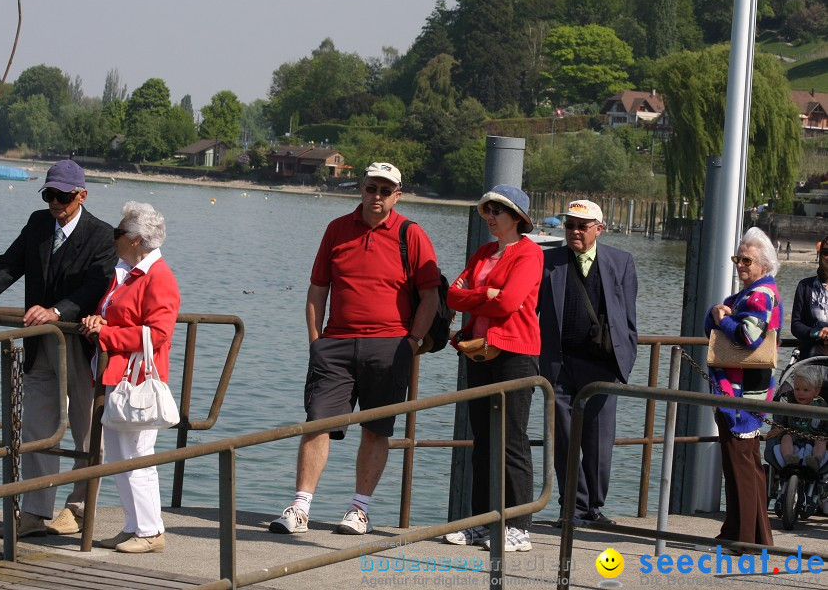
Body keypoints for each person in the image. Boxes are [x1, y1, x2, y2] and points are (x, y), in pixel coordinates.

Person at [0, 160, 117, 537]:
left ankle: (79, 508)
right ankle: (36, 512)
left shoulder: (102, 235)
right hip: (40, 346)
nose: (55, 202)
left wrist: (57, 311)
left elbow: (95, 286)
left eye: (63, 196)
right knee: (39, 429)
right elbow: (7, 266)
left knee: (89, 432)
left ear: (81, 195)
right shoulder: (38, 224)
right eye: (49, 194)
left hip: (83, 346)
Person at [269, 162, 440, 535]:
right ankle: (300, 508)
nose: (376, 196)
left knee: (376, 429)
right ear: (361, 189)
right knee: (318, 423)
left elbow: (430, 296)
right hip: (336, 344)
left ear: (397, 195)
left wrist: (411, 342)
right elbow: (318, 289)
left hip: (389, 346)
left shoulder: (411, 234)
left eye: (385, 190)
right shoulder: (337, 229)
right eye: (370, 188)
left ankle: (359, 510)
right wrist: (317, 341)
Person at [443, 185, 543, 552]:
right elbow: (453, 296)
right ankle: (482, 523)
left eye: (498, 211)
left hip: (515, 354)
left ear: (518, 218)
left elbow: (511, 304)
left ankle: (519, 526)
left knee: (512, 440)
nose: (490, 217)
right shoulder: (484, 252)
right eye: (487, 210)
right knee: (483, 440)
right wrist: (485, 295)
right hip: (479, 352)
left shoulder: (529, 255)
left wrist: (485, 298)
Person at [80, 201, 180, 554]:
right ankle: (135, 526)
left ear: (136, 239)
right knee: (121, 457)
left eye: (118, 232)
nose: (114, 237)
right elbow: (115, 313)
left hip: (138, 376)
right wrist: (99, 320)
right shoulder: (127, 270)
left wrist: (106, 334)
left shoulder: (158, 276)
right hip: (118, 375)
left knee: (137, 454)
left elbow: (158, 333)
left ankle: (151, 531)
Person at [537, 199, 637, 527]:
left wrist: (626, 356)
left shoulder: (620, 262)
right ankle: (574, 508)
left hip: (602, 365)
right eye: (569, 225)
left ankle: (594, 508)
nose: (575, 231)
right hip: (559, 364)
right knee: (563, 440)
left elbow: (628, 319)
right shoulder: (546, 260)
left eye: (582, 226)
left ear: (599, 228)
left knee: (598, 443)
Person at [703, 226, 782, 547]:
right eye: (738, 258)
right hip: (739, 391)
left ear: (764, 265)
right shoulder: (746, 295)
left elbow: (748, 336)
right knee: (744, 466)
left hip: (743, 393)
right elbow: (713, 326)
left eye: (747, 260)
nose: (740, 265)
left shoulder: (760, 295)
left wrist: (721, 318)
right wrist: (716, 314)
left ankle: (744, 538)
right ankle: (752, 535)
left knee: (742, 467)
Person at [767, 365, 827, 472]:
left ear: (816, 392)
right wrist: (779, 428)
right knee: (786, 437)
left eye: (805, 390)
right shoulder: (789, 403)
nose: (800, 393)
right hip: (793, 435)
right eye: (797, 389)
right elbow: (782, 419)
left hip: (814, 436)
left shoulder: (821, 407)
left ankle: (816, 459)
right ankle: (789, 458)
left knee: (821, 440)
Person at [790, 234, 828, 359]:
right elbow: (796, 325)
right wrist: (816, 333)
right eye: (826, 252)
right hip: (811, 356)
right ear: (820, 254)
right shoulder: (805, 286)